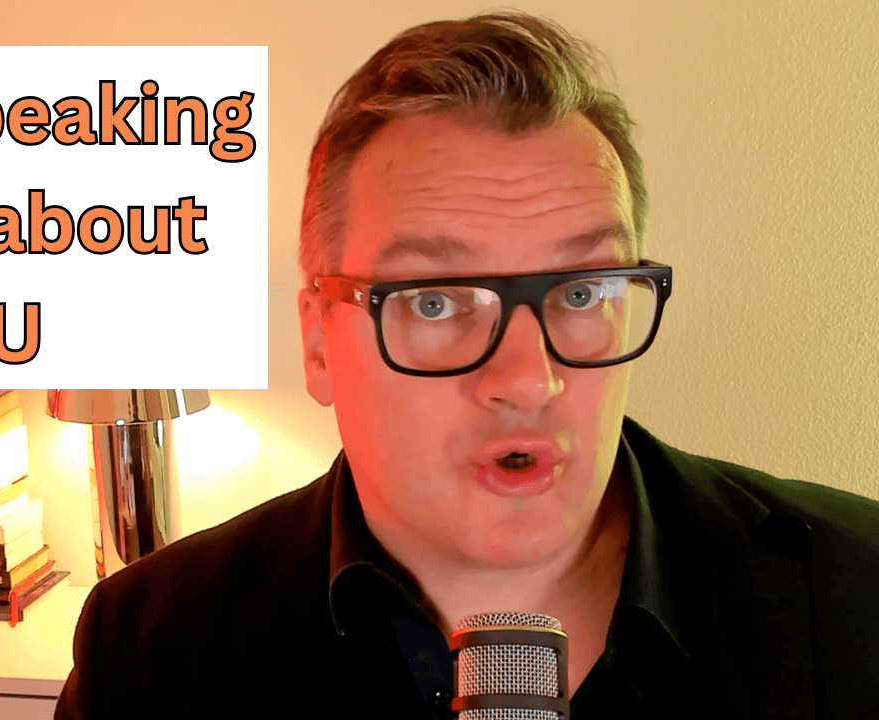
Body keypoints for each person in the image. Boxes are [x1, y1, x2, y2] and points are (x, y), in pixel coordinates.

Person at [54, 12, 879, 719]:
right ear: (318, 343)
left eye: (582, 291)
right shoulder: (150, 642)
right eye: (435, 302)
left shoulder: (862, 591)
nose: (527, 380)